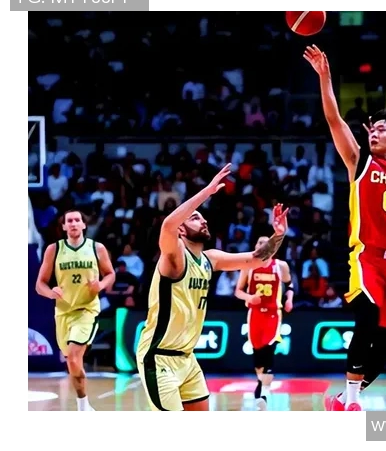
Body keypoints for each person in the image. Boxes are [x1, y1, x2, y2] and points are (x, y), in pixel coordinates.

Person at [304, 45, 386, 411]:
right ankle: (351, 402)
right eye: (372, 129)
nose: (374, 133)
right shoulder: (360, 161)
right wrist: (325, 77)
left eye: (382, 129)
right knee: (366, 317)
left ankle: (346, 398)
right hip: (368, 260)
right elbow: (334, 120)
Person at [135, 164, 289, 411]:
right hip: (159, 357)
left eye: (202, 217)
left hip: (188, 358)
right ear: (182, 229)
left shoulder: (211, 259)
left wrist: (278, 235)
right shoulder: (175, 256)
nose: (203, 220)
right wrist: (206, 192)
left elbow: (256, 258)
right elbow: (167, 226)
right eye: (195, 218)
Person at [35, 209, 116, 411]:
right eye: (69, 221)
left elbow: (110, 274)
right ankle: (85, 405)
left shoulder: (97, 248)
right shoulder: (54, 250)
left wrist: (101, 285)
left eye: (77, 220)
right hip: (63, 312)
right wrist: (50, 292)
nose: (73, 223)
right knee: (72, 362)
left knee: (73, 356)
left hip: (86, 310)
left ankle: (81, 408)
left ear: (83, 225)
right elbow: (40, 284)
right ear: (63, 226)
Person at [234, 237, 294, 410]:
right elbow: (238, 291)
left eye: (266, 243)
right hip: (254, 314)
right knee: (258, 355)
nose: (262, 245)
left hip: (273, 314)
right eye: (259, 242)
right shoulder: (248, 266)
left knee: (269, 350)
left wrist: (289, 299)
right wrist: (249, 297)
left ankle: (264, 392)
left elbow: (290, 285)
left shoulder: (280, 266)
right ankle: (261, 385)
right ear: (255, 246)